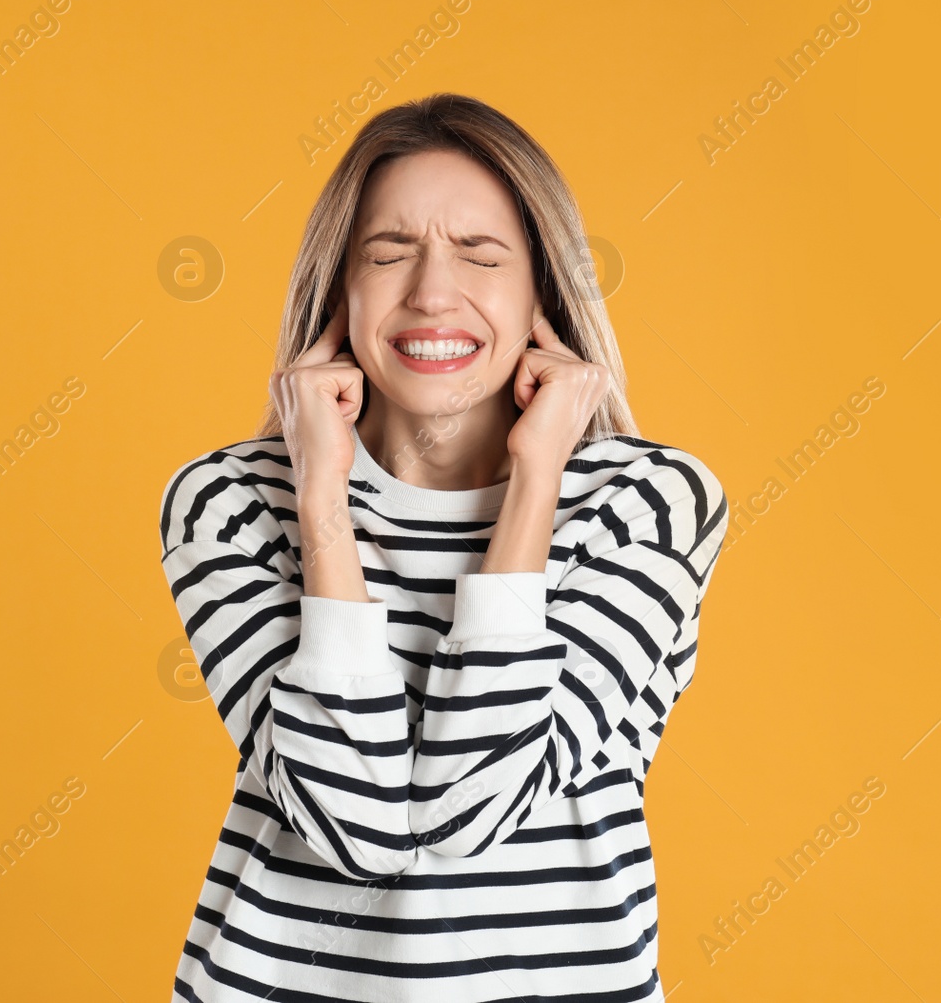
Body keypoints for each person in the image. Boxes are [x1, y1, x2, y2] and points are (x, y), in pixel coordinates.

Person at [158, 92, 728, 1001]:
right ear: (336, 291)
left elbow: (478, 805)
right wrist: (321, 507)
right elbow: (358, 828)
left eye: (481, 254)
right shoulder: (228, 504)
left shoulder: (647, 502)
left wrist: (534, 484)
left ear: (544, 289)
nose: (431, 292)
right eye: (388, 253)